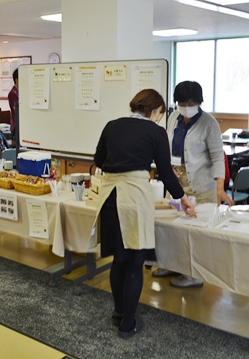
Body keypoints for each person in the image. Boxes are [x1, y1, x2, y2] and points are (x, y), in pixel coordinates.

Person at [94, 89, 196, 339]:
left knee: (118, 259)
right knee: (134, 261)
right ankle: (128, 324)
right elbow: (165, 171)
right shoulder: (155, 132)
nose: (159, 118)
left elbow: (99, 159)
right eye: (160, 113)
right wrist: (182, 198)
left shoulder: (112, 125)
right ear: (154, 110)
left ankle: (119, 312)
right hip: (133, 198)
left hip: (109, 197)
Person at [152, 81, 234, 288]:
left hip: (202, 185)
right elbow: (167, 147)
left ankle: (195, 275)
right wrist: (168, 168)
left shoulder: (209, 124)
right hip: (177, 181)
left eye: (190, 104)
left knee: (196, 232)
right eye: (182, 103)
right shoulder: (173, 118)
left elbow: (218, 157)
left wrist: (220, 188)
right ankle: (172, 264)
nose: (186, 107)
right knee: (173, 228)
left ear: (199, 102)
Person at [8, 68, 19, 145]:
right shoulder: (13, 93)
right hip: (16, 127)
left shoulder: (20, 91)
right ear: (17, 80)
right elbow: (17, 110)